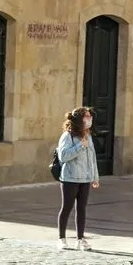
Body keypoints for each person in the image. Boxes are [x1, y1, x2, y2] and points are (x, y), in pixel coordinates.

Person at [56, 107, 100, 251]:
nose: (89, 119)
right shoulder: (67, 136)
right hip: (70, 178)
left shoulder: (88, 135)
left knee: (81, 209)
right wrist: (80, 146)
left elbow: (92, 158)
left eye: (90, 116)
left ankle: (80, 239)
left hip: (85, 178)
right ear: (79, 119)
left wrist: (95, 177)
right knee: (66, 208)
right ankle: (61, 238)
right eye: (86, 116)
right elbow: (63, 156)